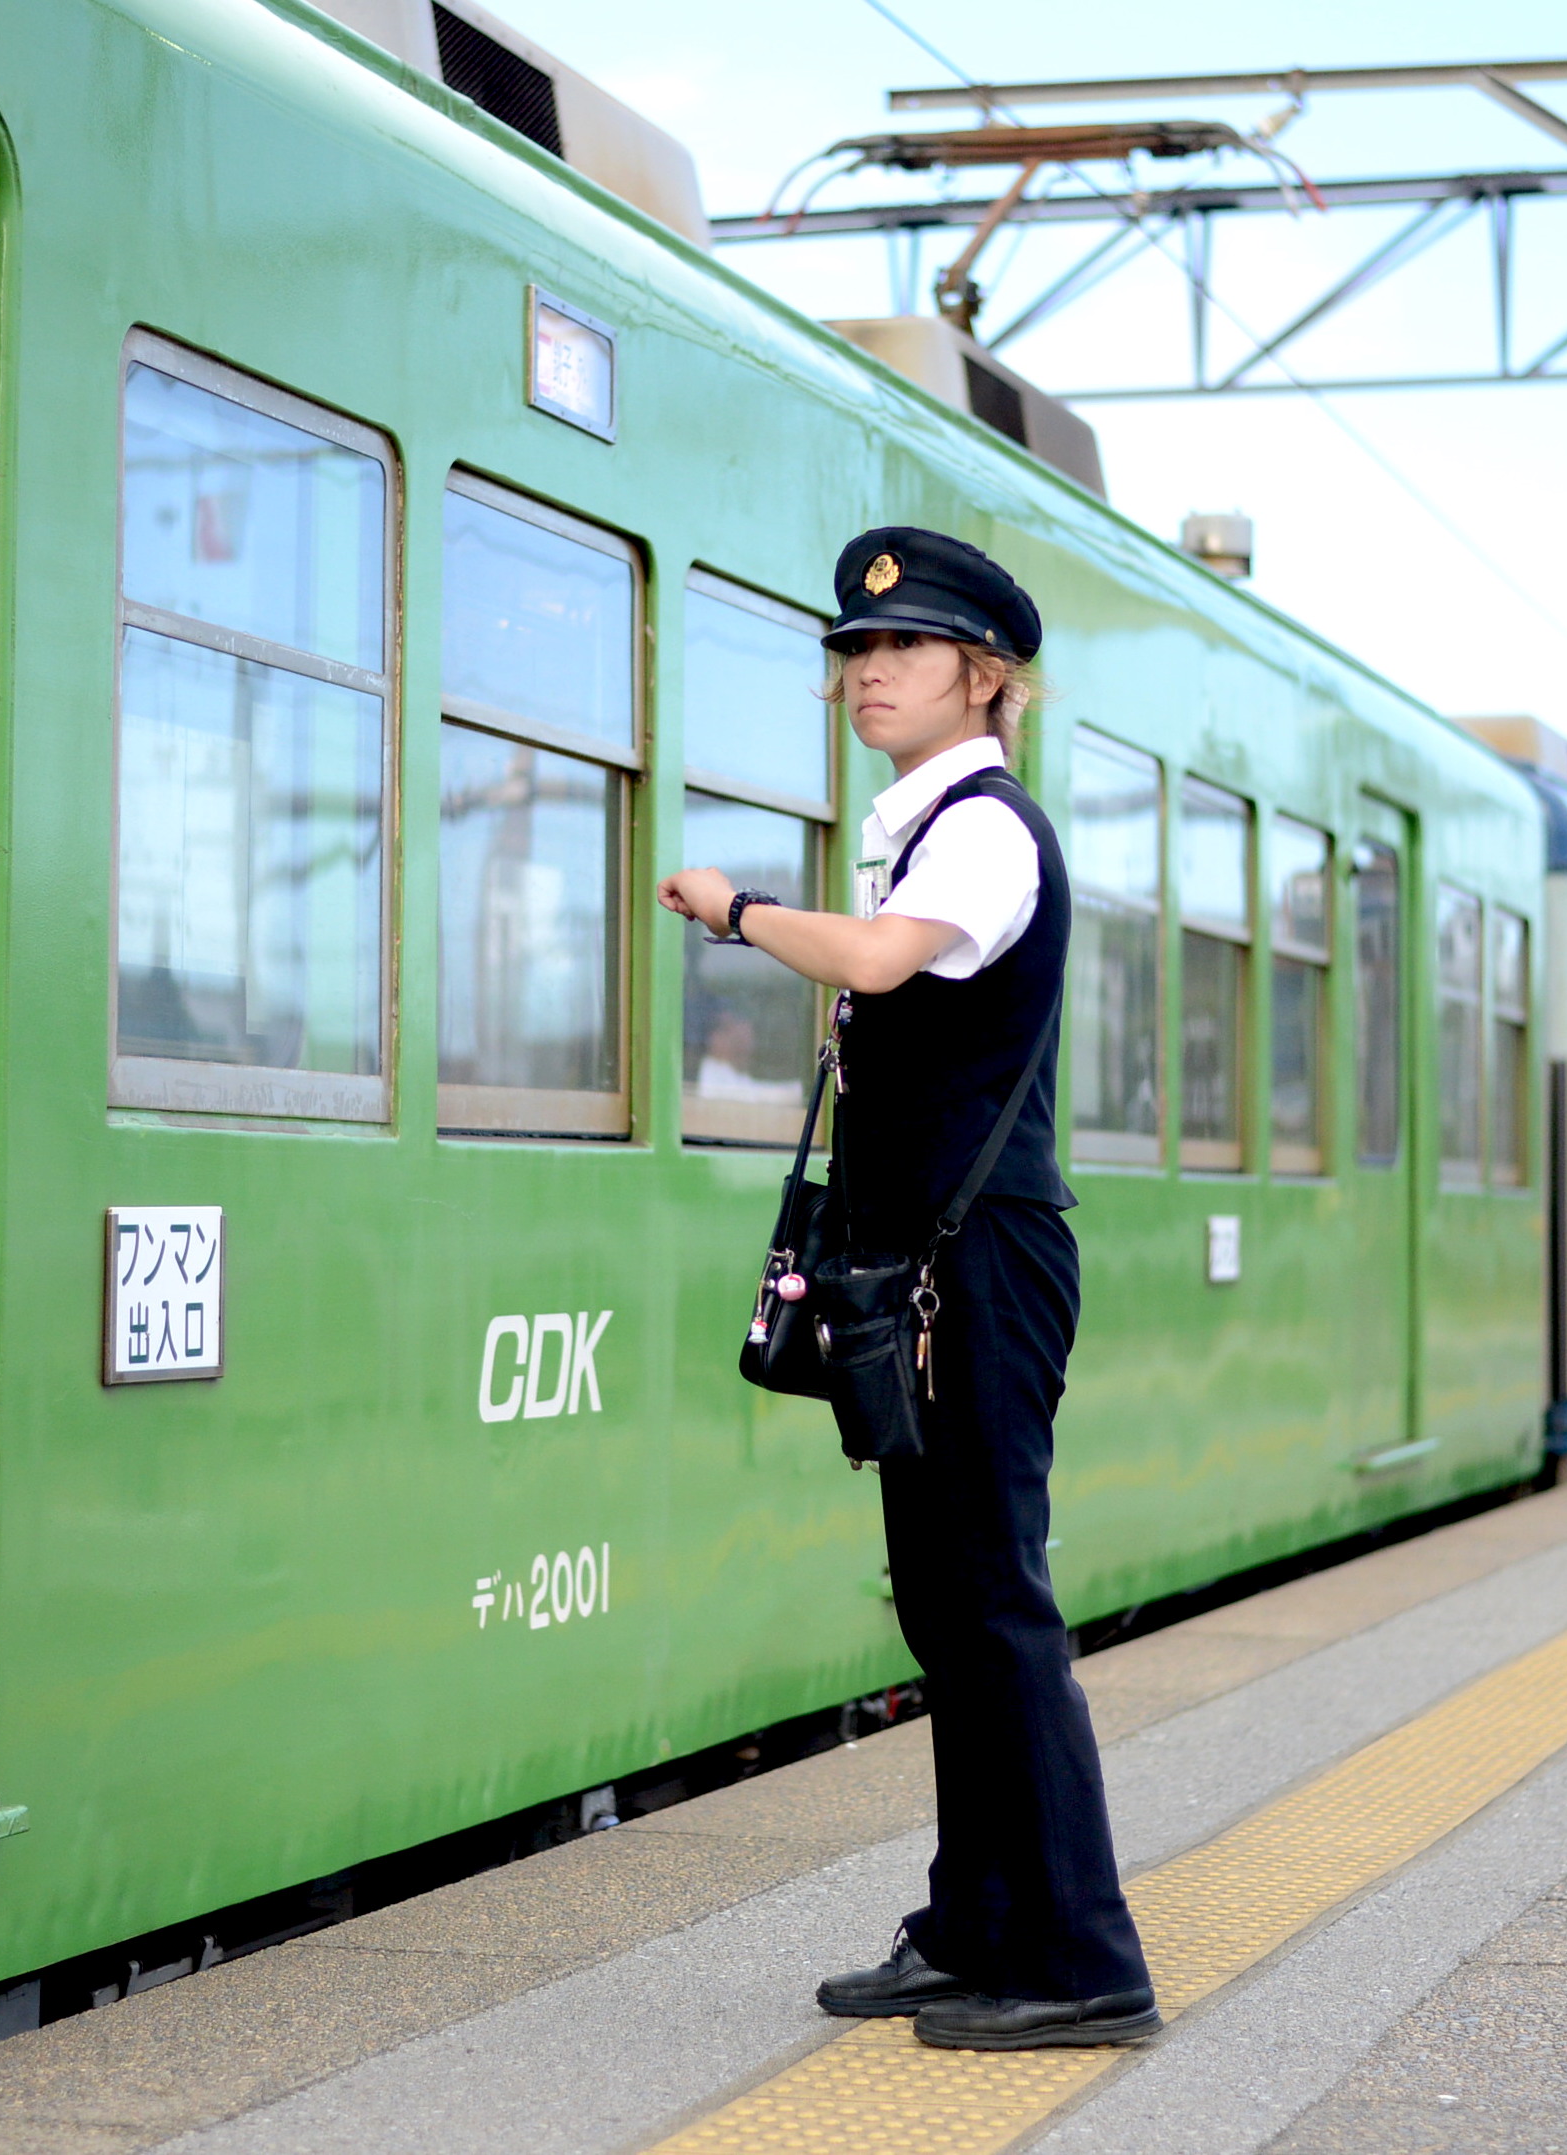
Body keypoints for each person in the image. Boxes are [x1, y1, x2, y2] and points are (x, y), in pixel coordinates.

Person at [656, 527, 1157, 2053]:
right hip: (925, 1261)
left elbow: (878, 964)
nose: (867, 669)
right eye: (854, 653)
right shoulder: (923, 823)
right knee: (945, 1607)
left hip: (984, 1261)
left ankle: (1082, 1960)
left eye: (904, 652)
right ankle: (974, 1924)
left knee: (997, 1601)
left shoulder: (988, 831)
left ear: (983, 678)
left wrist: (738, 911)